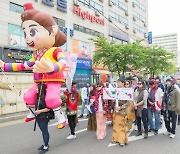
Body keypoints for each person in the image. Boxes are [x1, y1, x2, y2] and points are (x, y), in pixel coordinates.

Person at [0, 3, 67, 129]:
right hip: (39, 82)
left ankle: (61, 117)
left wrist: (53, 68)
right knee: (28, 96)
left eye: (32, 32)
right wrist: (5, 66)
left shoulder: (55, 50)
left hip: (53, 80)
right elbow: (24, 65)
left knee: (52, 99)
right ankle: (31, 113)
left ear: (53, 30)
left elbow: (63, 63)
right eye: (26, 34)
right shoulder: (35, 54)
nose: (28, 38)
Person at [34, 83, 52, 154]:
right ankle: (45, 143)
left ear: (41, 89)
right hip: (39, 117)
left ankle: (46, 146)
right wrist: (30, 105)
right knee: (43, 131)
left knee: (45, 131)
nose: (36, 89)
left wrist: (39, 111)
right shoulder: (38, 97)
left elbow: (48, 108)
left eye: (37, 88)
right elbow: (37, 105)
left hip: (44, 117)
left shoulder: (44, 98)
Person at [112, 76, 130, 147]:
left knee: (122, 126)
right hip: (116, 109)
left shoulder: (127, 91)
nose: (118, 83)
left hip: (122, 110)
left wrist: (121, 107)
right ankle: (116, 139)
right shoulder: (116, 90)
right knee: (116, 125)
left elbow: (128, 103)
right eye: (117, 82)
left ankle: (122, 140)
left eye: (119, 82)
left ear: (123, 83)